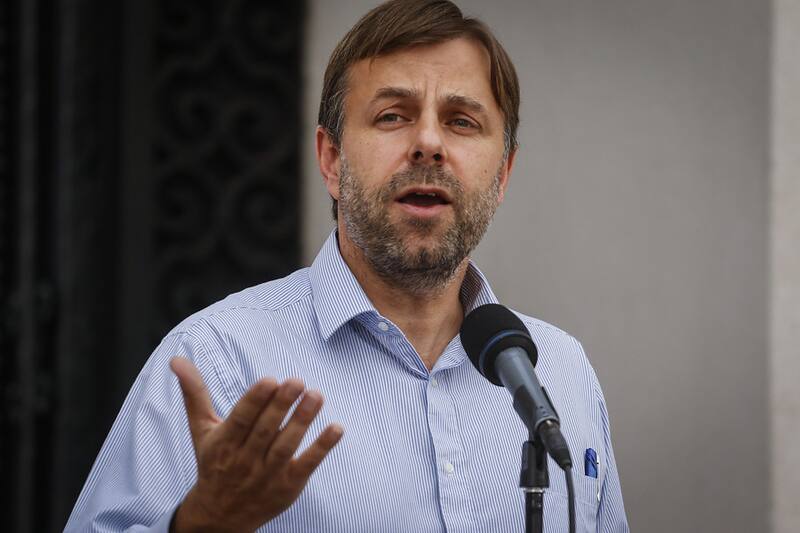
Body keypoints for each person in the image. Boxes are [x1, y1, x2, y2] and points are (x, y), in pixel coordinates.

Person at [66, 0, 629, 531]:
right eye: (392, 116)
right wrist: (201, 524)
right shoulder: (219, 358)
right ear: (332, 160)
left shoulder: (561, 375)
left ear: (502, 174)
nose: (428, 142)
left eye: (461, 121)